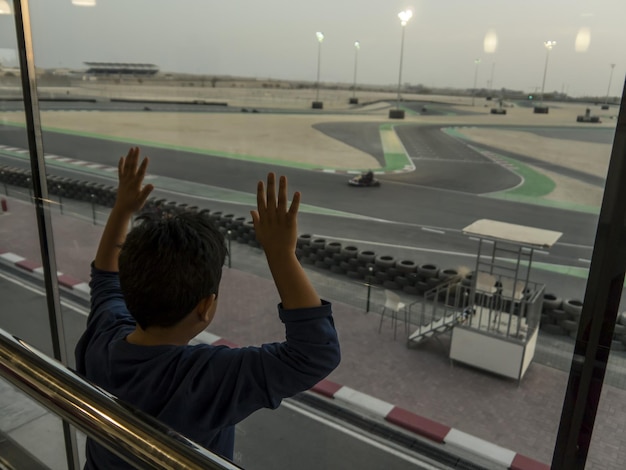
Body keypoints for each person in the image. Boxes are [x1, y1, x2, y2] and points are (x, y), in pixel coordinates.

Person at [75, 147, 341, 468]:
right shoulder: (205, 378)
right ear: (206, 307)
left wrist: (121, 209)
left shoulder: (103, 337)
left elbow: (105, 276)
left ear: (131, 291)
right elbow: (315, 354)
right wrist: (281, 253)